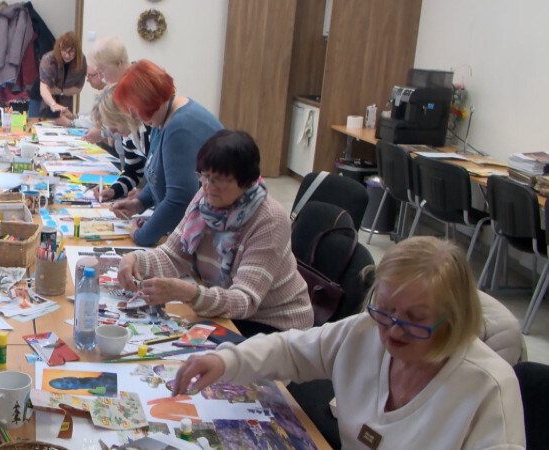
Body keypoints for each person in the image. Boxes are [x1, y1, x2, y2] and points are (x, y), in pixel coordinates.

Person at [170, 236, 525, 449]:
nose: (394, 331)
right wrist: (225, 362)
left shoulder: (488, 387)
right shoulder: (365, 330)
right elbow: (291, 350)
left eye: (416, 319)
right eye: (386, 309)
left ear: (455, 318)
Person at [117, 130, 311, 335]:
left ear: (246, 180)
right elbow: (173, 255)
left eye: (218, 179)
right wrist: (134, 259)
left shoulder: (269, 220)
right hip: (230, 312)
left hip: (275, 325)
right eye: (204, 176)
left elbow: (244, 301)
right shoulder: (205, 200)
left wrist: (189, 293)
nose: (208, 186)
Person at [110, 60, 224, 246]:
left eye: (132, 109)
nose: (131, 116)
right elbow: (159, 174)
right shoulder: (163, 117)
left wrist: (142, 236)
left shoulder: (178, 127)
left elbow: (180, 198)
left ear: (146, 101)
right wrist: (139, 203)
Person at [89, 84, 149, 202]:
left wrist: (144, 199)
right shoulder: (128, 134)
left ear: (124, 115)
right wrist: (113, 190)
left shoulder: (148, 130)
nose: (111, 131)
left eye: (113, 124)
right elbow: (132, 171)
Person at [32, 31, 87, 118]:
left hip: (65, 99)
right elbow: (44, 89)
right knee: (36, 122)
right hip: (41, 96)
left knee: (62, 124)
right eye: (64, 50)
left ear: (77, 51)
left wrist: (60, 91)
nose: (67, 55)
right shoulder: (48, 59)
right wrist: (53, 104)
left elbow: (78, 88)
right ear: (59, 47)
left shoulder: (81, 61)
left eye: (71, 51)